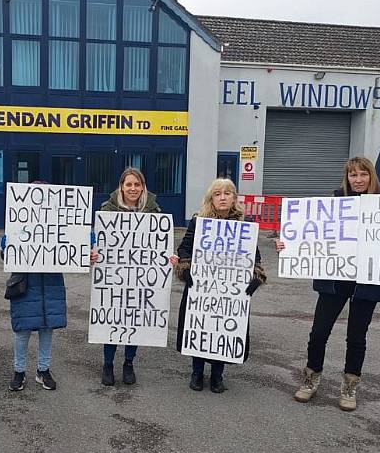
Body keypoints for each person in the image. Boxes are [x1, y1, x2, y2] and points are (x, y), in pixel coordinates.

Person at [275, 156, 380, 411]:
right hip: (335, 279)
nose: (358, 179)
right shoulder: (333, 204)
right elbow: (311, 235)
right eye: (353, 175)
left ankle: (350, 385)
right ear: (347, 177)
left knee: (356, 336)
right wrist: (289, 246)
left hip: (369, 282)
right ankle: (311, 379)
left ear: (371, 176)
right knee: (318, 332)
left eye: (363, 174)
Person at [172, 178, 266, 393]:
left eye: (227, 193)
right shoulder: (199, 222)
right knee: (200, 327)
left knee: (222, 329)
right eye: (217, 194)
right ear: (211, 198)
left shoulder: (243, 226)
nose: (222, 197)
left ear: (234, 198)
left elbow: (255, 257)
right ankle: (197, 371)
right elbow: (184, 248)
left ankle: (217, 374)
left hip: (230, 292)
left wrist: (255, 279)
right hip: (201, 287)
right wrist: (186, 271)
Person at [94, 168, 161, 387]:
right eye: (128, 184)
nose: (133, 189)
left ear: (143, 187)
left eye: (137, 184)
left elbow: (159, 245)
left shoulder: (154, 211)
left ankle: (129, 363)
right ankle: (108, 364)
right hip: (113, 278)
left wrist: (167, 258)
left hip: (140, 279)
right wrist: (92, 252)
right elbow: (96, 241)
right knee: (112, 319)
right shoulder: (107, 210)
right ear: (121, 186)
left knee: (134, 320)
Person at [2, 229, 65, 392]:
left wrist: (89, 244)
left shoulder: (60, 223)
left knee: (47, 328)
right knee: (22, 330)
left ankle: (43, 370)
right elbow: (6, 251)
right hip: (25, 282)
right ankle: (19, 371)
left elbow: (79, 238)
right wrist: (5, 245)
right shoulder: (20, 221)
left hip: (50, 283)